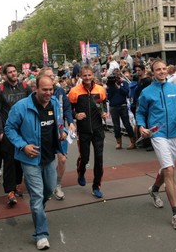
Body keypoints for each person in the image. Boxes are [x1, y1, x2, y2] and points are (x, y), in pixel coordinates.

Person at [3, 73, 67, 250]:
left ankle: (38, 210)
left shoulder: (54, 103)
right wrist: (23, 146)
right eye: (45, 89)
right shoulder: (21, 107)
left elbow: (58, 122)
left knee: (49, 190)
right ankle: (41, 234)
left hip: (49, 158)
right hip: (30, 160)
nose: (49, 93)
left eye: (51, 89)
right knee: (37, 196)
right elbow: (9, 128)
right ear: (35, 88)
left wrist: (62, 132)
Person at [137, 59, 176, 230]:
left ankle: (154, 189)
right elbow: (140, 113)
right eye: (158, 69)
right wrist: (141, 127)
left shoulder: (174, 89)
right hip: (157, 133)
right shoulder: (146, 92)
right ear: (152, 72)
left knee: (167, 168)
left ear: (167, 70)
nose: (161, 71)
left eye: (163, 69)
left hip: (174, 133)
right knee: (169, 169)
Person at [0, 64, 30, 207]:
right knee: (9, 161)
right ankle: (10, 191)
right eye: (10, 72)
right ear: (5, 75)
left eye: (14, 71)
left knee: (21, 159)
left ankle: (18, 184)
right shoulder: (0, 91)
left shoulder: (25, 87)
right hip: (8, 131)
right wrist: (0, 132)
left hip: (24, 130)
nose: (13, 74)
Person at [68, 66, 108, 198]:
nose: (87, 78)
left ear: (93, 76)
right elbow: (68, 110)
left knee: (99, 158)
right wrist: (75, 115)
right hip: (83, 130)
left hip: (98, 130)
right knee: (84, 157)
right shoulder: (74, 91)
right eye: (84, 75)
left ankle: (96, 186)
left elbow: (103, 104)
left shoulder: (100, 89)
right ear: (80, 76)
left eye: (89, 75)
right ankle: (81, 171)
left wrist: (104, 113)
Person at [40, 66, 75, 201]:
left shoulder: (60, 91)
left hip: (59, 127)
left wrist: (70, 123)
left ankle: (57, 184)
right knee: (45, 160)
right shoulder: (36, 93)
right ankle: (45, 185)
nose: (52, 78)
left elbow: (65, 109)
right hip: (44, 130)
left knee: (63, 159)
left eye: (53, 76)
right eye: (49, 76)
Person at [106, 70, 136, 150]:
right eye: (114, 74)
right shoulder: (110, 85)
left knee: (127, 124)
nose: (116, 76)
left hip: (123, 106)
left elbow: (127, 93)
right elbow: (109, 97)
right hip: (113, 107)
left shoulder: (124, 83)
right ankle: (119, 143)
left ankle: (132, 142)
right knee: (116, 126)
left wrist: (119, 87)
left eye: (117, 74)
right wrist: (109, 88)